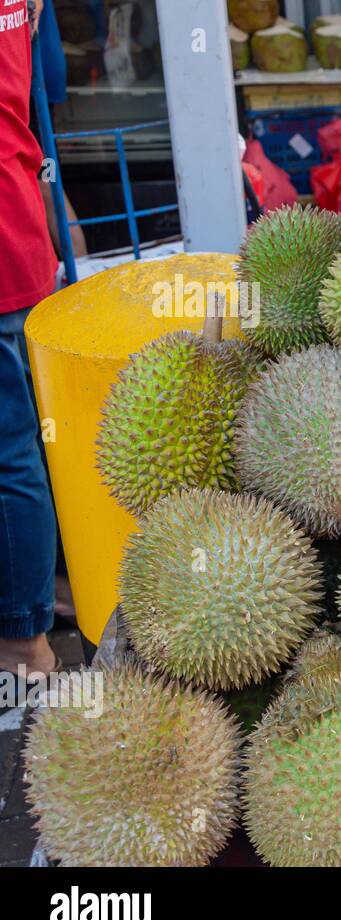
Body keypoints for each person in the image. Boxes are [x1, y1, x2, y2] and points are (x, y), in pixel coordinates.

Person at [0, 0, 59, 680]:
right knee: (34, 441)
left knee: (11, 450)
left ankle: (24, 644)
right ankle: (49, 595)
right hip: (19, 228)